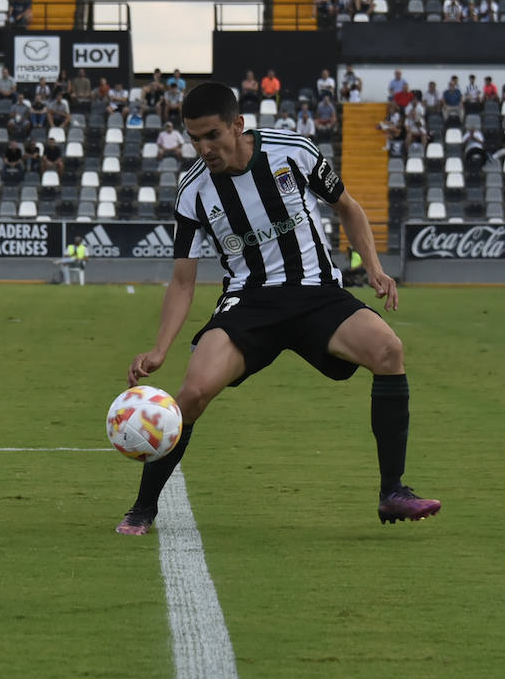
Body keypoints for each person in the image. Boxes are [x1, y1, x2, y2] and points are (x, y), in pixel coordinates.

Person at [114, 82, 439, 536]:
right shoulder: (193, 191)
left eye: (212, 135)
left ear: (238, 125)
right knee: (192, 393)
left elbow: (348, 208)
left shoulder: (295, 152)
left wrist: (376, 268)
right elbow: (183, 280)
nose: (204, 148)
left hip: (316, 292)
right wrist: (160, 349)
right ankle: (142, 508)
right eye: (194, 138)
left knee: (389, 351)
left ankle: (393, 492)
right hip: (249, 301)